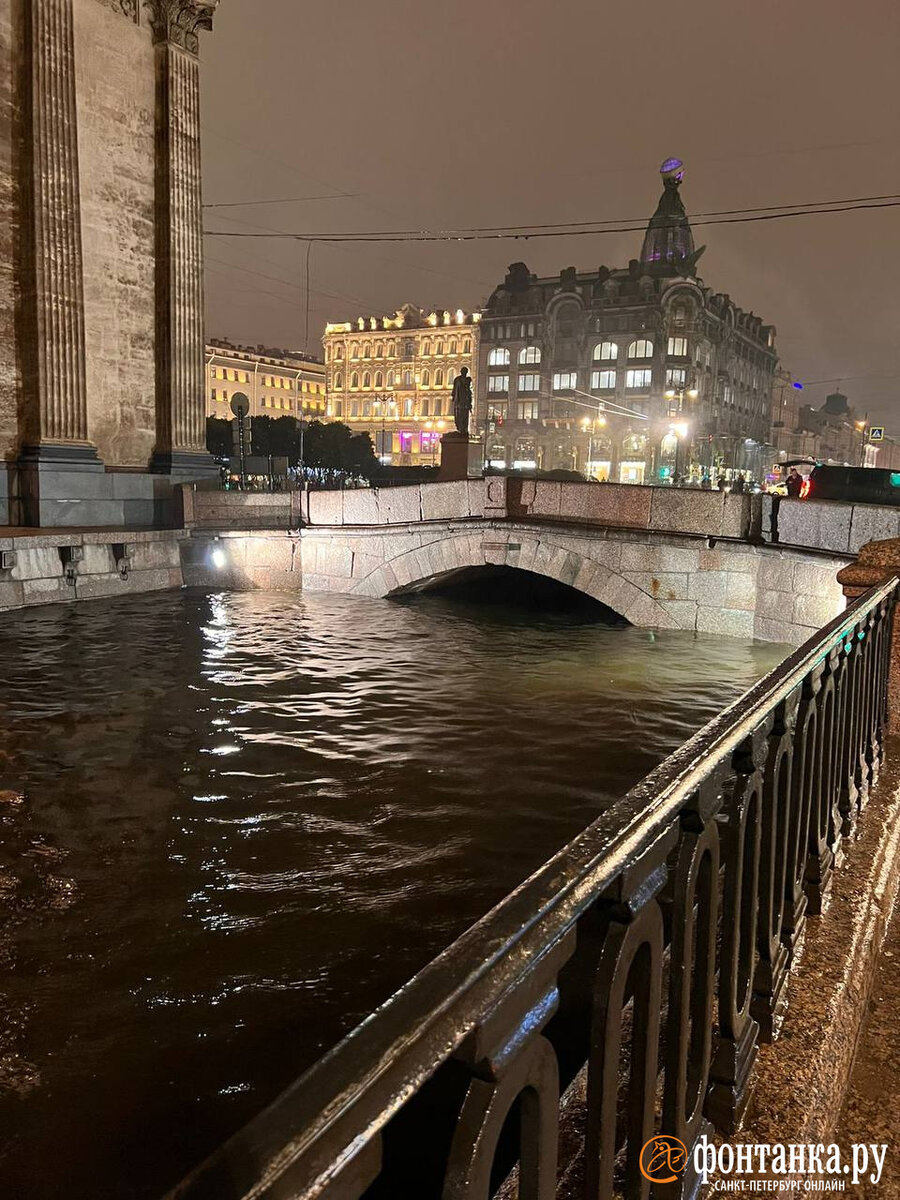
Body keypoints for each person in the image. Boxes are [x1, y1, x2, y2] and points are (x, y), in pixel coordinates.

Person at [451, 366, 473, 436]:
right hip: (458, 401)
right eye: (463, 371)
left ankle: (463, 430)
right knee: (458, 416)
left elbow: (469, 390)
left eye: (465, 372)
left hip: (465, 401)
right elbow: (454, 389)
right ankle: (459, 429)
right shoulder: (457, 379)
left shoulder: (468, 380)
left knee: (464, 416)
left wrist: (469, 402)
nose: (464, 373)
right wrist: (454, 397)